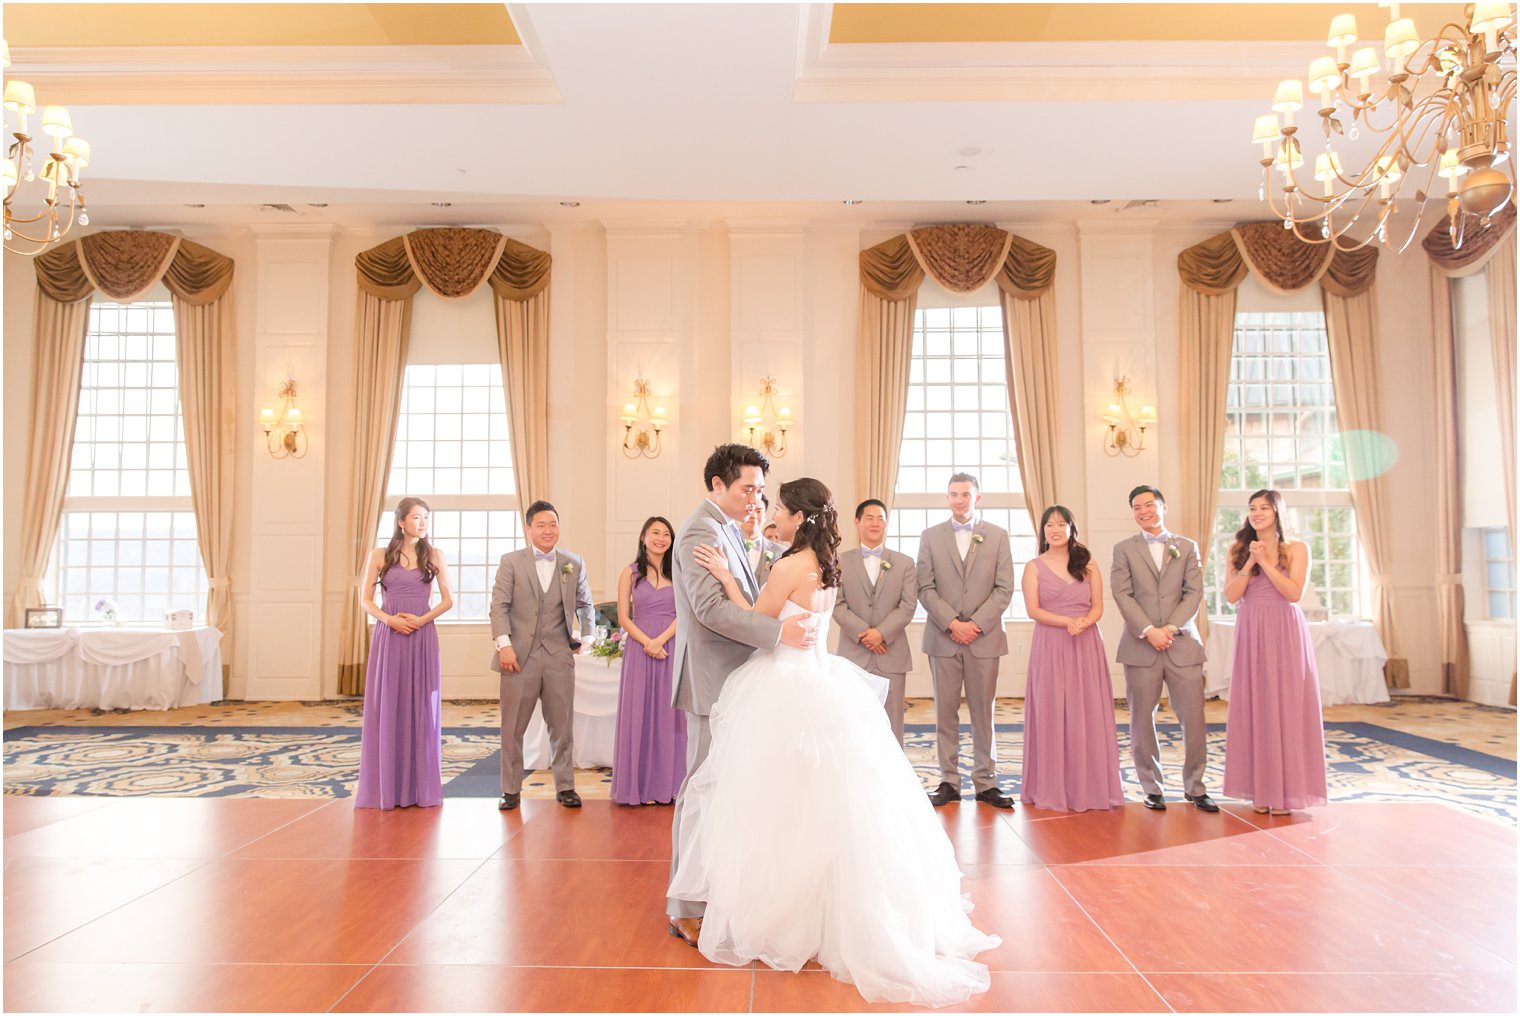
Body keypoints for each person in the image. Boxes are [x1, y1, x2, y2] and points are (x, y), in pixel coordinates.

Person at [669, 477, 1000, 1007]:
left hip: (783, 687)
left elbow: (757, 619)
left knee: (780, 806)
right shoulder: (824, 563)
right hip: (822, 680)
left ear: (798, 517)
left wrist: (728, 577)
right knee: (828, 804)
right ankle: (830, 911)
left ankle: (783, 912)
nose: (772, 513)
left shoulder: (788, 566)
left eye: (778, 507)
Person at [666, 444, 816, 946]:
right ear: (716, 485)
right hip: (712, 679)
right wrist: (777, 636)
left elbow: (747, 598)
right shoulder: (698, 531)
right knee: (701, 790)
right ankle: (684, 905)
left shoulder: (729, 529)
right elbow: (709, 610)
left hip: (739, 678)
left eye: (760, 489)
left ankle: (717, 892)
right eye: (747, 488)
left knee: (725, 793)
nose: (756, 497)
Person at [1110, 485, 1218, 812]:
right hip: (1140, 646)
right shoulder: (1123, 549)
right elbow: (1122, 594)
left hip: (1182, 644)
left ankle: (1195, 786)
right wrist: (1148, 631)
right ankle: (1151, 787)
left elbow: (1194, 594)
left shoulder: (1186, 547)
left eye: (1149, 505)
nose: (1144, 511)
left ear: (1163, 507)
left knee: (1194, 719)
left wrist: (1170, 629)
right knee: (1142, 718)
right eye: (1137, 507)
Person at [1221, 489, 1328, 815]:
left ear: (1277, 512)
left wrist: (1266, 563)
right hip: (1251, 628)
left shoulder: (1297, 548)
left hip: (1283, 629)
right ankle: (1260, 790)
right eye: (1252, 508)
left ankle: (1286, 791)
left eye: (1264, 508)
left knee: (1285, 704)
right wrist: (1249, 562)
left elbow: (1293, 593)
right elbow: (1232, 595)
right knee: (1256, 705)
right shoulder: (1237, 549)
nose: (1256, 513)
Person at [917, 472, 1016, 808]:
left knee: (982, 712)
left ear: (978, 497)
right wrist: (951, 623)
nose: (959, 500)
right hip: (943, 639)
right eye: (953, 494)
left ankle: (986, 781)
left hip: (983, 638)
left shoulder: (998, 536)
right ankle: (949, 780)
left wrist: (975, 623)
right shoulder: (930, 536)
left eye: (965, 494)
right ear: (947, 499)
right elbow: (924, 587)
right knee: (945, 712)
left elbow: (1004, 588)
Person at [489, 499, 595, 811]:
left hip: (559, 654)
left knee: (562, 726)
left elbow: (586, 604)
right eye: (541, 525)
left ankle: (565, 787)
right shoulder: (511, 561)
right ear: (528, 528)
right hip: (517, 656)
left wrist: (586, 636)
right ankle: (510, 789)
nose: (548, 531)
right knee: (513, 727)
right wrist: (504, 644)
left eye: (553, 524)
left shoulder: (572, 562)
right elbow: (499, 606)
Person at [1020, 505, 1123, 812]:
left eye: (1061, 524)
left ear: (1071, 529)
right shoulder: (1033, 567)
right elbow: (1033, 610)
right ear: (1043, 531)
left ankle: (1090, 786)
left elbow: (1098, 606)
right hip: (1051, 644)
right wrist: (1067, 623)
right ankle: (1052, 786)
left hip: (1086, 642)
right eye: (1049, 525)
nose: (1055, 529)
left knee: (1088, 712)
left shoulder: (1087, 563)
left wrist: (1084, 623)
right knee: (1052, 712)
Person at [355, 497, 454, 810]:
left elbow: (448, 600)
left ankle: (419, 788)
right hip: (389, 636)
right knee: (389, 704)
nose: (422, 523)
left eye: (426, 518)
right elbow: (365, 600)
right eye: (416, 517)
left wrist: (421, 621)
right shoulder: (380, 555)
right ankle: (387, 786)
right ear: (400, 521)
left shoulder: (434, 555)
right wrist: (390, 620)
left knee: (422, 706)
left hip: (422, 637)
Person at [610, 516, 686, 806]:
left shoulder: (677, 573)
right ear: (643, 537)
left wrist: (661, 640)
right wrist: (647, 642)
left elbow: (684, 614)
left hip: (670, 645)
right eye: (655, 532)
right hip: (639, 650)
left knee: (670, 716)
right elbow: (622, 617)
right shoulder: (629, 574)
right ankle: (638, 787)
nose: (661, 538)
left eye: (666, 533)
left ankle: (668, 785)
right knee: (638, 712)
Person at [833, 498, 918, 745]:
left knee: (892, 722)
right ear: (857, 522)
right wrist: (864, 633)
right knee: (854, 720)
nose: (875, 523)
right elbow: (836, 604)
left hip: (892, 653)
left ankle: (893, 780)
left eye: (881, 518)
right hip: (853, 654)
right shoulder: (839, 561)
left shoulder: (904, 563)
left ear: (886, 524)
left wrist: (881, 634)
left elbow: (907, 605)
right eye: (869, 518)